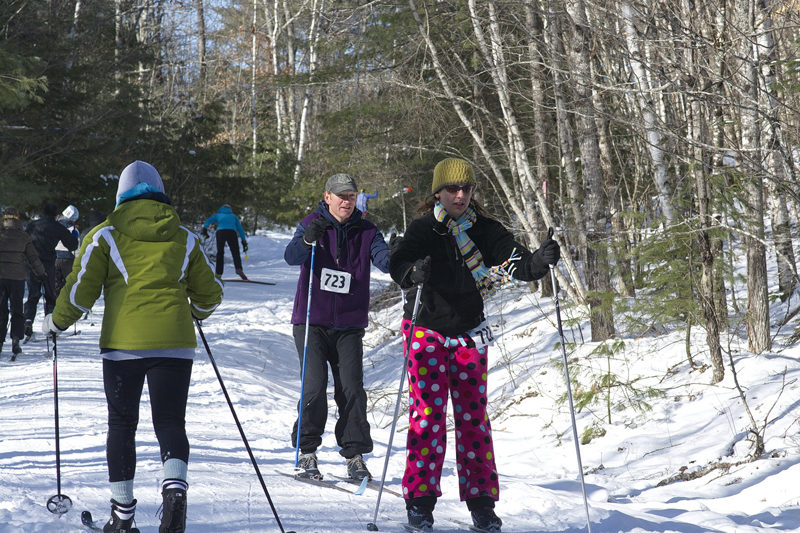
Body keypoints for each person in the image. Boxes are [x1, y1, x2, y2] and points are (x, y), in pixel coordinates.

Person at [42, 160, 223, 533]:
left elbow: (80, 292)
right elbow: (210, 293)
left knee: (122, 425)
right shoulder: (185, 237)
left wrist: (55, 323)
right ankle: (174, 488)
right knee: (171, 422)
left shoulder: (105, 235)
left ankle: (122, 517)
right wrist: (198, 312)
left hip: (123, 346)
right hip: (174, 345)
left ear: (121, 194)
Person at [388, 158, 561, 532]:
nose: (461, 195)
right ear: (438, 192)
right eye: (452, 189)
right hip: (426, 331)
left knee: (474, 421)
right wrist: (412, 273)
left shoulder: (484, 229)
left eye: (466, 188)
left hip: (469, 332)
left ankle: (482, 505)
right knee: (428, 417)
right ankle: (420, 501)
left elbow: (515, 261)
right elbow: (398, 264)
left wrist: (539, 262)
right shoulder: (422, 230)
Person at [284, 172, 391, 481]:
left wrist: (398, 258)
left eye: (351, 195)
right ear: (327, 196)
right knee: (314, 388)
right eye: (341, 195)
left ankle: (354, 455)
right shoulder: (311, 224)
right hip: (311, 321)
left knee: (352, 389)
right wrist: (307, 240)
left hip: (348, 325)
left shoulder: (367, 230)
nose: (347, 200)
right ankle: (307, 452)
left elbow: (383, 259)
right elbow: (291, 256)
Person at [22, 202, 79, 340]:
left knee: (33, 295)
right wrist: (73, 234)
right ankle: (50, 327)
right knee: (50, 296)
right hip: (48, 264)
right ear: (55, 214)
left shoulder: (32, 225)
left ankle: (28, 321)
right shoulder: (57, 227)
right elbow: (72, 244)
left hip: (32, 264)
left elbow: (24, 240)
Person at [0, 207, 46, 359]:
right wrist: (42, 273)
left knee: (1, 310)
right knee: (17, 310)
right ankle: (15, 341)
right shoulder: (24, 237)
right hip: (17, 279)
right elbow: (33, 258)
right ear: (18, 220)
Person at [202, 204, 248, 280]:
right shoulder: (233, 216)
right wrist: (244, 241)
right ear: (230, 209)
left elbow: (208, 221)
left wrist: (205, 230)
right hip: (231, 233)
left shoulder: (218, 215)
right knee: (235, 252)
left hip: (221, 232)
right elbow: (240, 229)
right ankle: (238, 268)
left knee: (220, 252)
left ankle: (218, 274)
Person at [54, 205, 80, 297]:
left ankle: (54, 307)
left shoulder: (54, 226)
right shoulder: (73, 230)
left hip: (54, 258)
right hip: (68, 259)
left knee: (56, 286)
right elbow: (76, 247)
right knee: (69, 286)